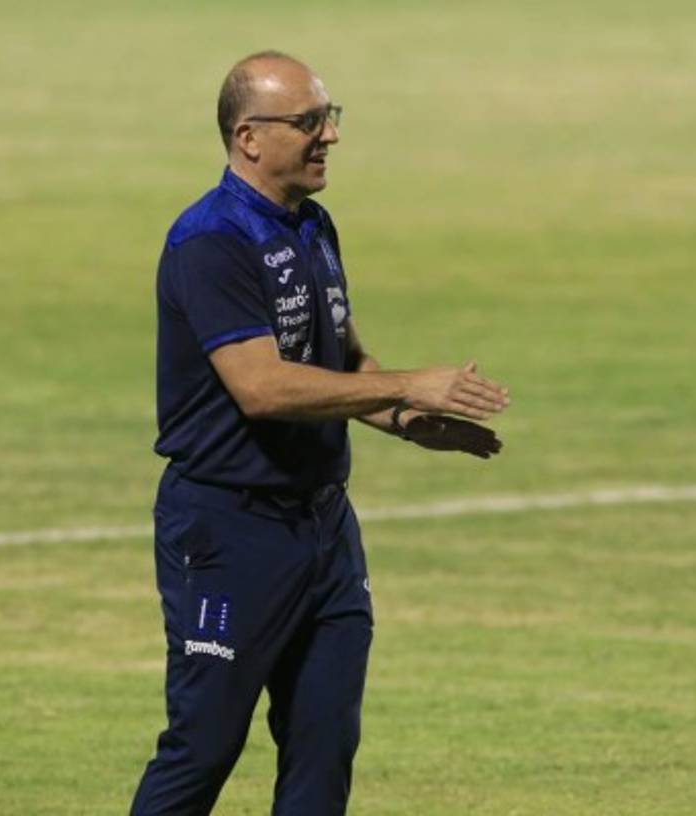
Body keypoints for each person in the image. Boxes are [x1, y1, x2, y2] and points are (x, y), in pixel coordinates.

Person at [130, 50, 509, 816]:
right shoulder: (213, 241)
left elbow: (339, 361)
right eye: (308, 122)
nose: (327, 136)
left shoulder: (311, 225)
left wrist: (409, 421)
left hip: (324, 531)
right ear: (248, 137)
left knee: (324, 742)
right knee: (205, 744)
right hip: (230, 531)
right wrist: (405, 382)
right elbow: (263, 388)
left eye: (329, 118)